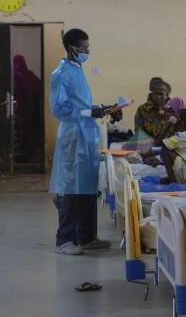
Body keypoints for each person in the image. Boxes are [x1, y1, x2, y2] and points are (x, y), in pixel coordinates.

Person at [49, 28, 111, 255]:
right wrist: (88, 113)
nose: (86, 52)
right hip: (73, 136)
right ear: (70, 48)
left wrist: (101, 109)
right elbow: (59, 108)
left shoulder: (77, 69)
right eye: (82, 49)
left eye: (87, 48)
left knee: (87, 186)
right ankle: (64, 240)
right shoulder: (61, 73)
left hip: (85, 134)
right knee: (72, 188)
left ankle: (86, 237)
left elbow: (80, 103)